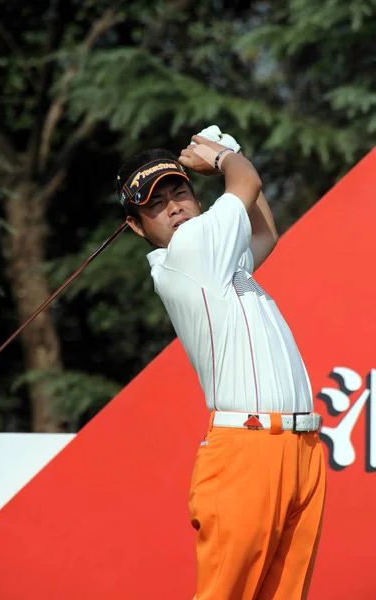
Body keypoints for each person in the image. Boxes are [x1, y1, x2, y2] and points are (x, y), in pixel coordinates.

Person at [117, 127, 326, 600]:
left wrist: (232, 156)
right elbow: (245, 183)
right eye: (155, 204)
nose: (174, 207)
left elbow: (264, 232)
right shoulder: (188, 253)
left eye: (180, 192)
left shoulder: (219, 262)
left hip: (301, 448)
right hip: (246, 452)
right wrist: (225, 155)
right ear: (136, 226)